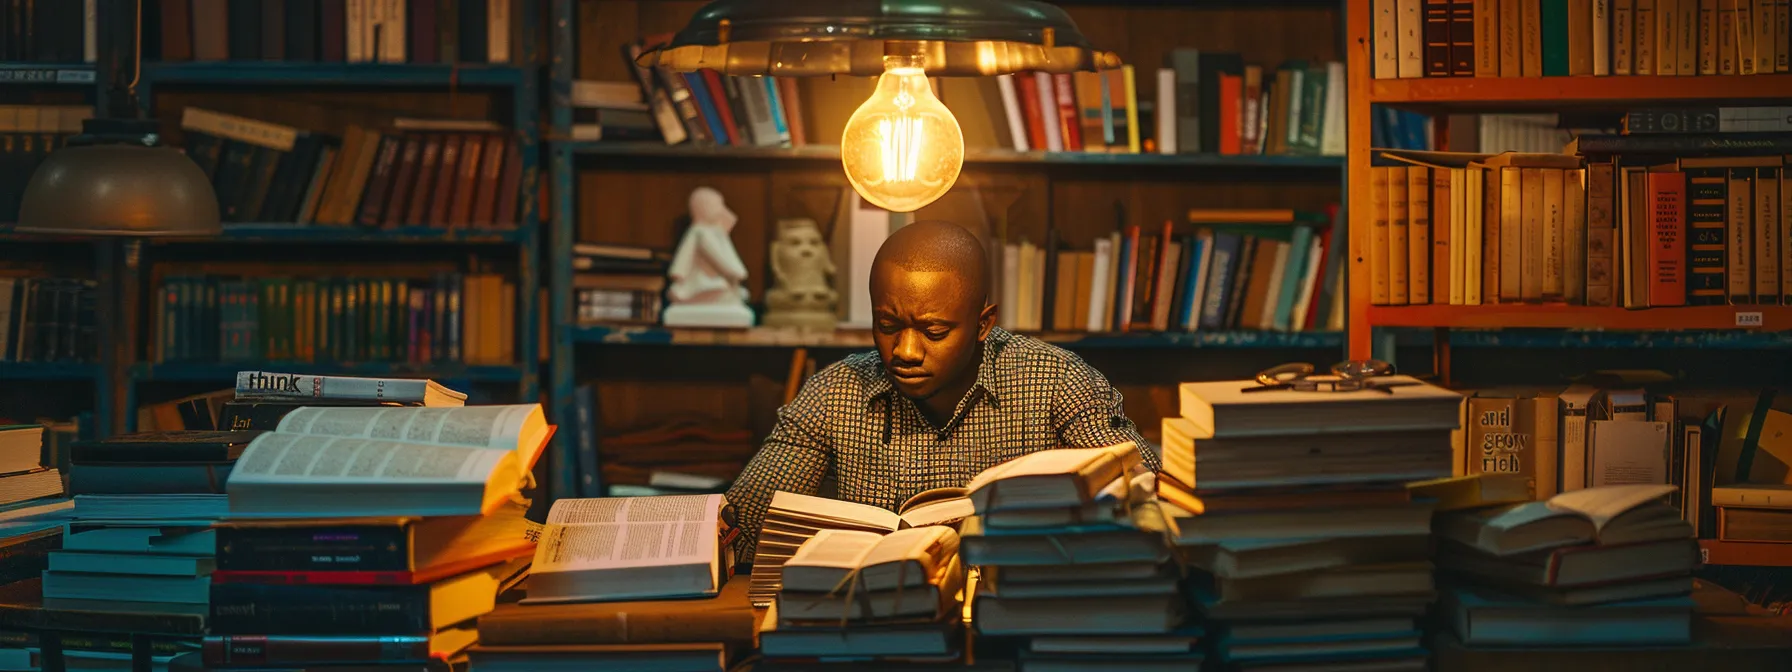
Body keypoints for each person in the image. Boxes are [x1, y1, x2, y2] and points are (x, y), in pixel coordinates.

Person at [725, 220, 1158, 558]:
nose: (905, 352)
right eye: (888, 326)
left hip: (1017, 616)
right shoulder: (834, 393)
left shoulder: (1057, 381)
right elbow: (740, 524)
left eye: (933, 330)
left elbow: (1148, 496)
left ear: (983, 323)